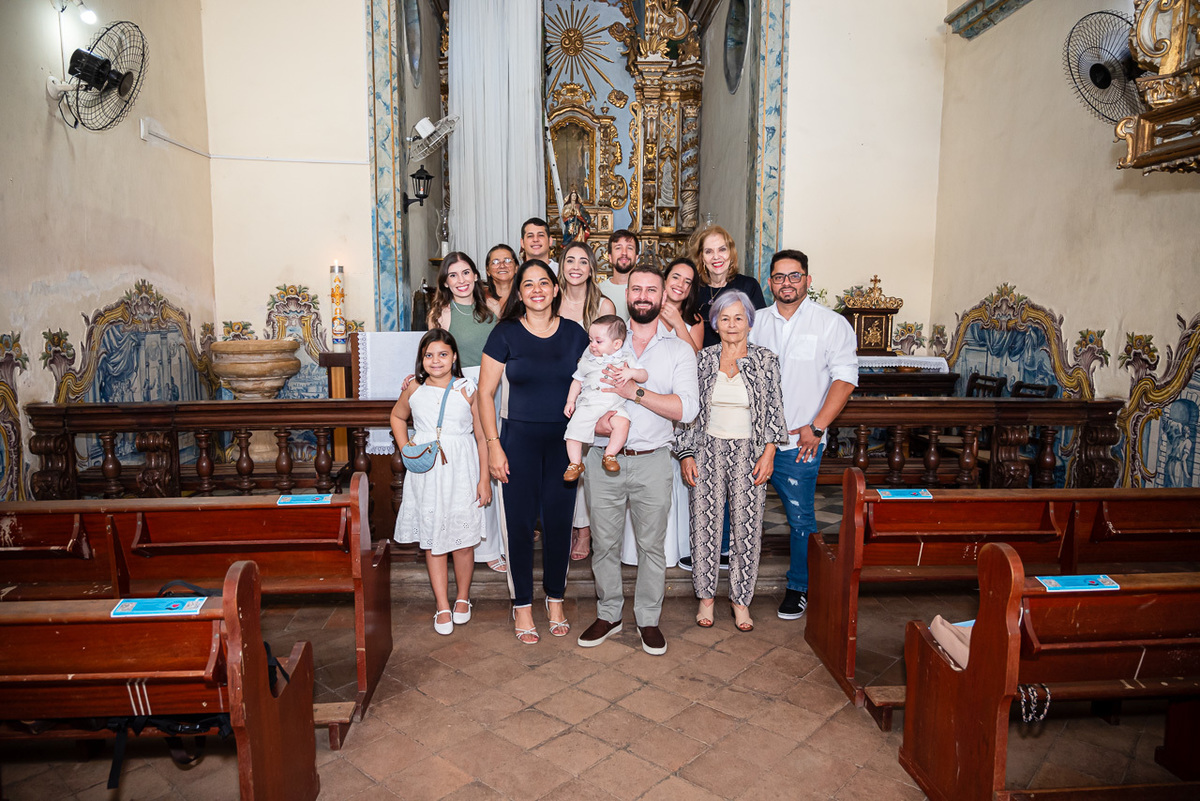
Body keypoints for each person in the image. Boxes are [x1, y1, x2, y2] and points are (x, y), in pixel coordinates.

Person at [577, 265, 699, 656]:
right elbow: (581, 398)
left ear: (664, 297)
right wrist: (598, 423)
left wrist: (636, 392)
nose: (644, 295)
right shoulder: (604, 341)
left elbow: (687, 409)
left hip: (653, 460)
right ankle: (609, 613)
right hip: (603, 456)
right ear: (626, 294)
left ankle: (648, 618)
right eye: (637, 289)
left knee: (651, 546)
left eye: (652, 289)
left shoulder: (678, 349)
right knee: (605, 545)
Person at [478, 260, 589, 644]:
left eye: (544, 282)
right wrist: (494, 446)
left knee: (560, 525)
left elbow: (592, 387)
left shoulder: (576, 335)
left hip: (564, 443)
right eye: (529, 284)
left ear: (556, 289)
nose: (537, 289)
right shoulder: (505, 334)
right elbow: (484, 394)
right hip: (517, 442)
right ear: (519, 293)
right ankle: (522, 605)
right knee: (520, 527)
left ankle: (555, 599)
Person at [749, 249, 858, 620]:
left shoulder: (830, 324)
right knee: (740, 510)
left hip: (800, 443)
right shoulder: (755, 322)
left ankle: (798, 587)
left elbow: (844, 380)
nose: (787, 283)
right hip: (752, 441)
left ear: (808, 280)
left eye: (794, 276)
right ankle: (738, 582)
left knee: (800, 518)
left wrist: (817, 427)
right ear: (769, 282)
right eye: (779, 277)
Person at [676, 291, 786, 632]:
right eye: (725, 318)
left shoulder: (766, 360)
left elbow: (774, 410)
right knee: (704, 526)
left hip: (749, 453)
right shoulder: (703, 360)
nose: (732, 324)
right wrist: (687, 453)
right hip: (707, 450)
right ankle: (705, 599)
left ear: (749, 322)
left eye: (739, 318)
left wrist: (769, 452)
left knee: (746, 528)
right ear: (715, 324)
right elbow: (688, 412)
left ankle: (741, 603)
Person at [390, 329, 491, 635]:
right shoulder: (414, 389)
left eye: (443, 354)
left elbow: (483, 436)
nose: (436, 360)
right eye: (429, 355)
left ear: (454, 357)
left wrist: (484, 478)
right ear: (422, 359)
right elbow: (397, 417)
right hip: (428, 472)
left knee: (462, 541)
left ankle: (462, 598)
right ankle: (442, 604)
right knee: (434, 543)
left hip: (461, 469)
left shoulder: (466, 389)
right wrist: (405, 445)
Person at [424, 253, 507, 574]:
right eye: (454, 275)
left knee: (497, 462)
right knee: (471, 467)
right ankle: (472, 543)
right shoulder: (440, 314)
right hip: (460, 390)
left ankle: (497, 544)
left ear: (476, 275)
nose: (461, 280)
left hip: (496, 386)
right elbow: (434, 354)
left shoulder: (495, 308)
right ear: (445, 281)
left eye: (466, 273)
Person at [556, 240, 617, 561]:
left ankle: (585, 530)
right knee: (565, 462)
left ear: (592, 269)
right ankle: (563, 525)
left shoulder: (603, 305)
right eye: (570, 261)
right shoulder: (551, 300)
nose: (576, 267)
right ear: (562, 266)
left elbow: (613, 353)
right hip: (558, 390)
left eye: (583, 261)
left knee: (589, 464)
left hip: (593, 393)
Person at [563, 315, 648, 480]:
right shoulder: (586, 361)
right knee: (573, 430)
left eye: (598, 341)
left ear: (617, 344)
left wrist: (631, 372)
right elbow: (577, 381)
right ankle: (575, 462)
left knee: (623, 423)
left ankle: (610, 454)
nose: (592, 345)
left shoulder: (625, 358)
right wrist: (570, 401)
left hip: (615, 406)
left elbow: (643, 375)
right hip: (589, 404)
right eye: (590, 340)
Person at [690, 224, 767, 348]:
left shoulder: (748, 286)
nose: (716, 257)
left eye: (722, 249)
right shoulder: (693, 288)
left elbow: (760, 332)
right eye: (709, 251)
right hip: (701, 362)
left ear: (731, 253)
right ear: (702, 258)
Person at [659, 256, 704, 351]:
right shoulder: (649, 310)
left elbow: (697, 359)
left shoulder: (695, 320)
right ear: (665, 279)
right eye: (675, 277)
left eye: (687, 282)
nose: (680, 284)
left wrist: (678, 324)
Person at [597, 229, 638, 319]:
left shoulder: (645, 291)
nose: (624, 253)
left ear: (636, 257)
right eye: (618, 248)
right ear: (610, 257)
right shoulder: (597, 291)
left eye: (630, 248)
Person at [484, 244, 518, 315]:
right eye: (495, 262)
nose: (502, 265)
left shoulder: (525, 296)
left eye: (507, 260)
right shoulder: (481, 297)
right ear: (488, 270)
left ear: (516, 268)